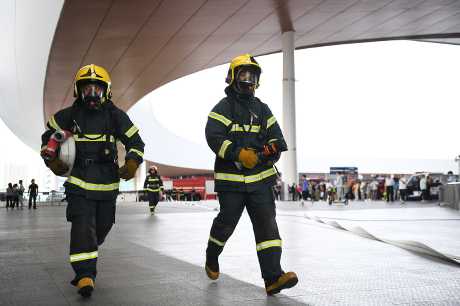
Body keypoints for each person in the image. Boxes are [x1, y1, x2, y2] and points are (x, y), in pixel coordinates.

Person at [40, 64, 144, 297]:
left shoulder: (116, 116)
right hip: (79, 183)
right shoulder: (68, 115)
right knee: (82, 226)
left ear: (106, 91)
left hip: (107, 184)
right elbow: (49, 139)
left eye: (97, 89)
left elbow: (136, 143)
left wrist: (132, 162)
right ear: (78, 91)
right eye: (87, 89)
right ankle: (85, 275)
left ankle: (88, 250)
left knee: (101, 229)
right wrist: (52, 160)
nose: (92, 94)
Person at [204, 54, 297, 295]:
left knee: (268, 229)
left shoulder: (263, 109)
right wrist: (238, 154)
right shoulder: (222, 109)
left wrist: (269, 152)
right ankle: (212, 255)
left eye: (252, 76)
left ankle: (273, 278)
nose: (248, 80)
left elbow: (278, 138)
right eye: (244, 75)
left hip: (260, 183)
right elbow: (213, 137)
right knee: (226, 224)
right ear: (233, 77)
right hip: (231, 184)